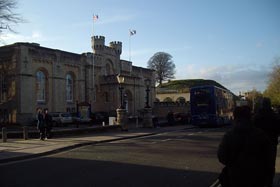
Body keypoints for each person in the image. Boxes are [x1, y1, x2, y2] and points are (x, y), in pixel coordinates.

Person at [217, 106, 273, 187]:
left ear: (235, 117)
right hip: (257, 178)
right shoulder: (261, 135)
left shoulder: (229, 136)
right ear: (250, 117)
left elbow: (222, 157)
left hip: (235, 177)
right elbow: (269, 159)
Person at [253, 97, 280, 187]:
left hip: (258, 145)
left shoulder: (256, 117)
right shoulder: (275, 116)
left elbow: (252, 130)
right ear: (269, 104)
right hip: (271, 144)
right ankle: (269, 183)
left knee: (259, 165)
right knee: (270, 166)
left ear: (262, 105)